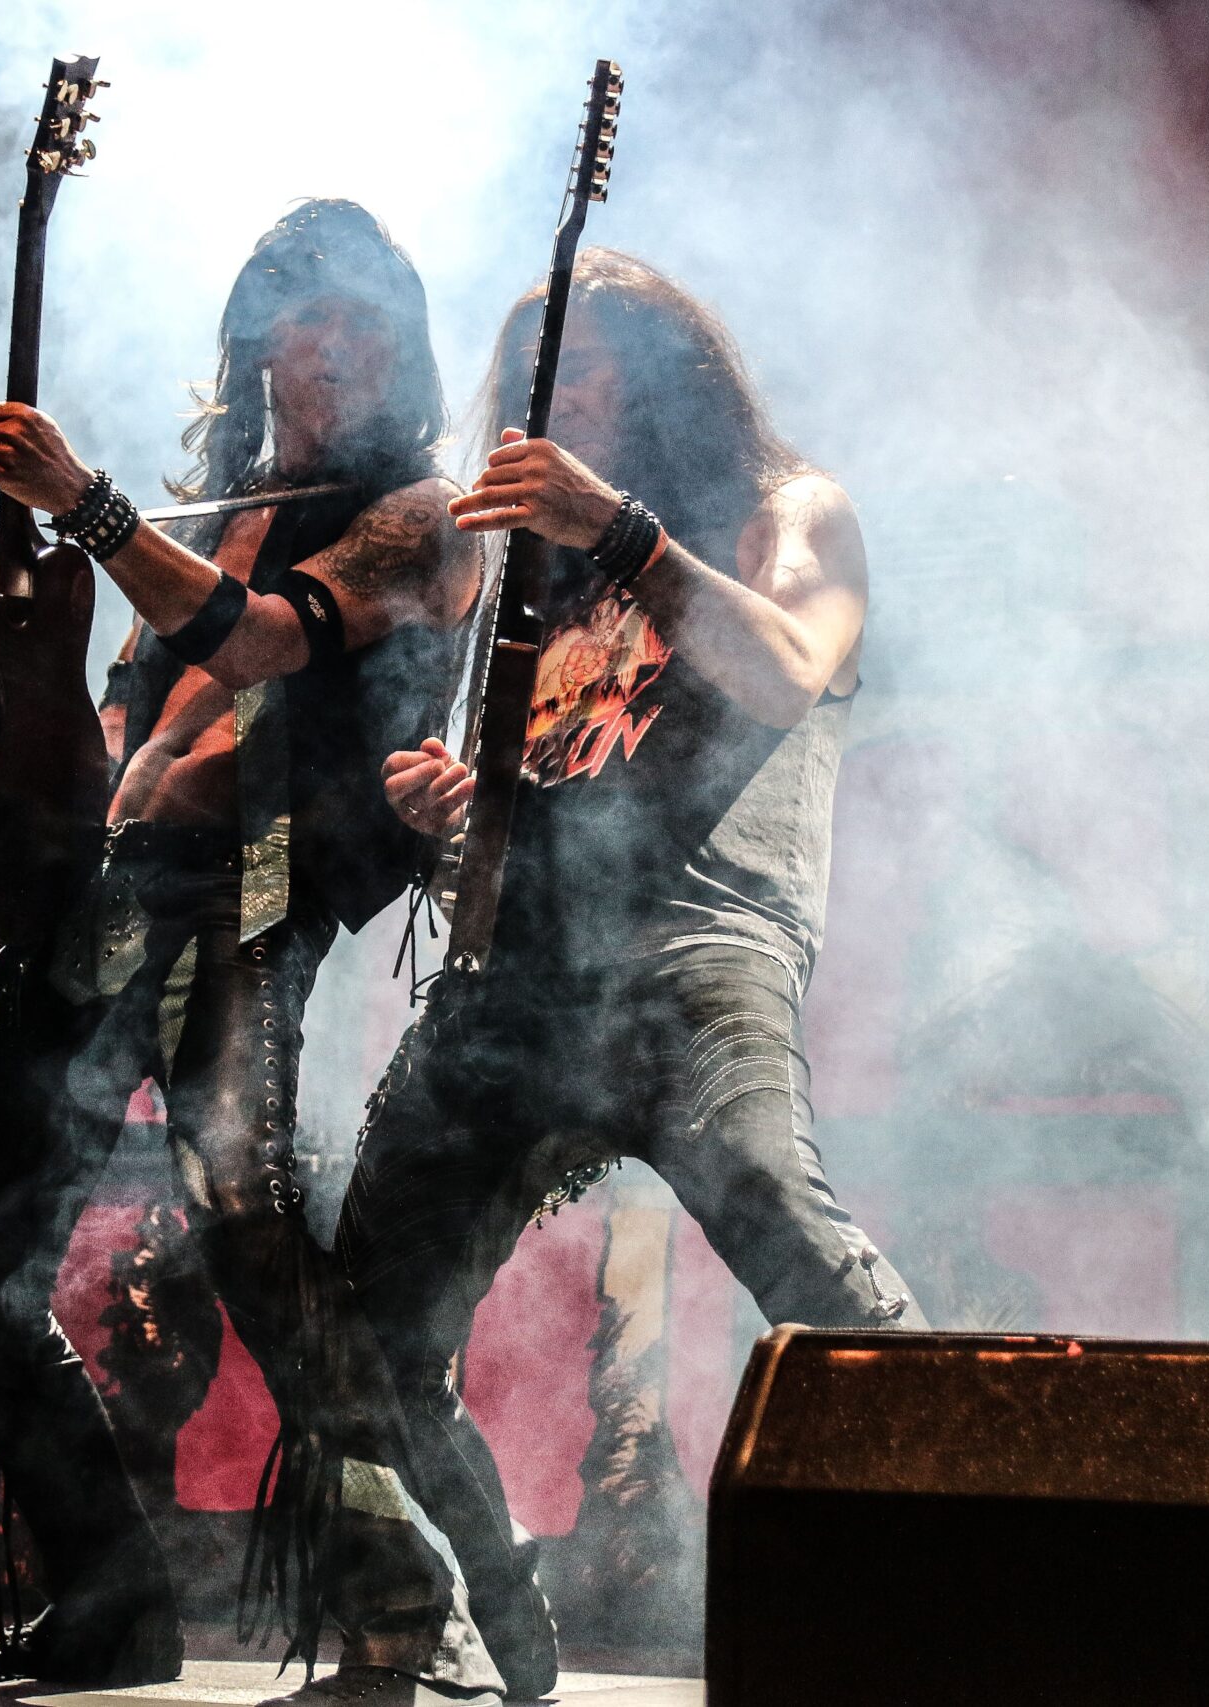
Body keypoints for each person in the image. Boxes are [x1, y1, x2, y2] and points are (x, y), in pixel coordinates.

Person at [283, 250, 926, 1707]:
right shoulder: (538, 583)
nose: (546, 400)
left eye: (579, 368)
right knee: (366, 1321)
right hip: (520, 974)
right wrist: (459, 809)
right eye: (528, 378)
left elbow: (784, 667)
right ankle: (481, 1618)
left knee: (800, 1254)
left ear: (667, 373)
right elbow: (534, 803)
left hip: (695, 950)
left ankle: (998, 1565)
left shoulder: (787, 510)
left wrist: (623, 530)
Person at [0, 200, 475, 1687]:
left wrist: (86, 505)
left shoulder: (420, 516)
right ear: (258, 338)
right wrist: (1, 753)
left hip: (247, 906)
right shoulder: (216, 518)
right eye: (308, 313)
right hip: (111, 905)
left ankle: (407, 1599)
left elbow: (263, 641)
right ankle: (112, 1600)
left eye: (366, 321)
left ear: (405, 348)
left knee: (251, 1234)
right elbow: (124, 726)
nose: (333, 346)